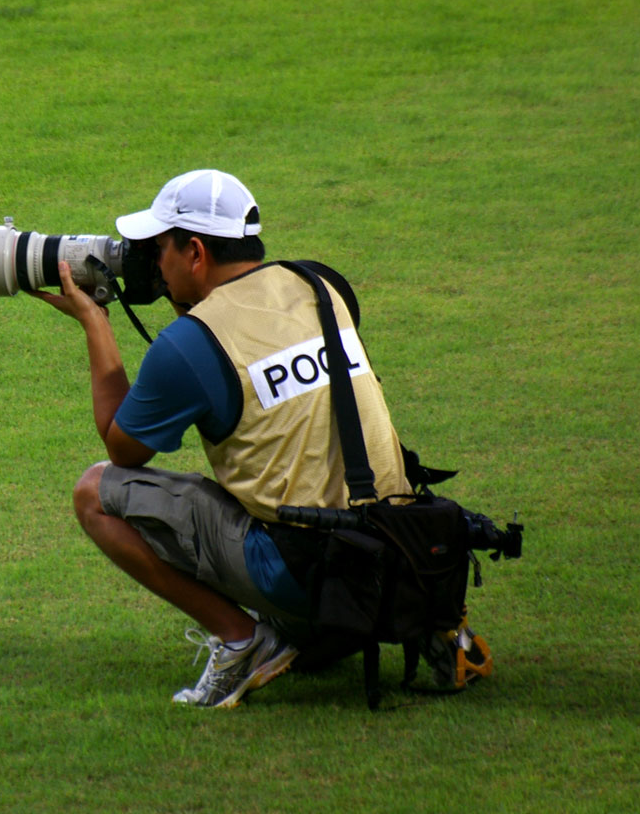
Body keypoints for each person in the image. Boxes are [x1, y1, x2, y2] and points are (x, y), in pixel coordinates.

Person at [32, 169, 415, 708]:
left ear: (194, 251)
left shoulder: (192, 342)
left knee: (95, 493)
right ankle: (322, 631)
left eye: (159, 247)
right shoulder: (320, 284)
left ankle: (242, 640)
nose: (151, 262)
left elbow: (123, 450)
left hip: (302, 567)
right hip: (392, 552)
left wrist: (95, 322)